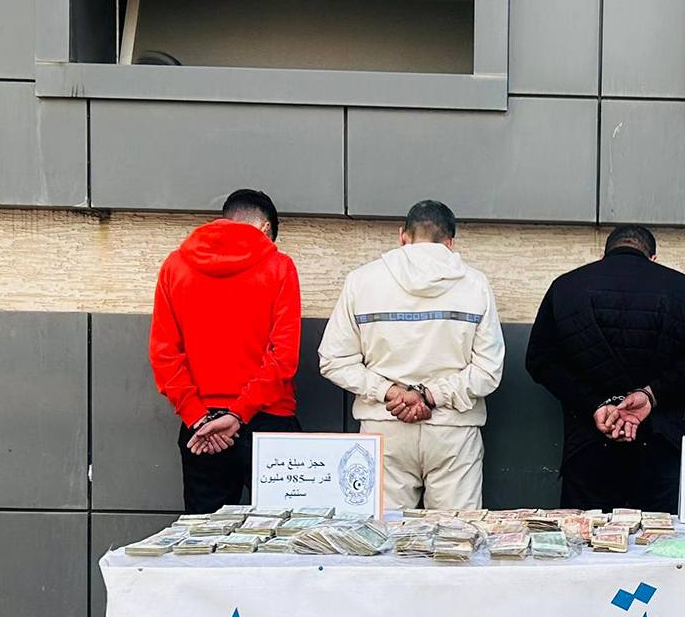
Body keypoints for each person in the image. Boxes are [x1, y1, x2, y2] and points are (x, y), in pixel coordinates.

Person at [318, 200, 503, 511]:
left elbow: (333, 360)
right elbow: (488, 370)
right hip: (453, 431)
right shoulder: (476, 285)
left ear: (402, 235)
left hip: (384, 426)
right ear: (450, 242)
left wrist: (390, 392)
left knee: (383, 532)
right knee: (455, 532)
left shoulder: (362, 281)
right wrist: (430, 396)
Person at [526, 225, 685, 512]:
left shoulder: (566, 286)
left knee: (586, 534)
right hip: (661, 442)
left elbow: (540, 359)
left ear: (603, 255)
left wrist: (595, 404)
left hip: (588, 443)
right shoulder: (683, 288)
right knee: (659, 535)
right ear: (653, 258)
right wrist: (652, 394)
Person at [148, 188, 302, 515]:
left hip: (201, 428)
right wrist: (238, 415)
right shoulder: (279, 266)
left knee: (205, 537)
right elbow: (284, 356)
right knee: (285, 532)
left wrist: (197, 417)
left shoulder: (175, 266)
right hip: (268, 421)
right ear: (264, 228)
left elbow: (164, 355)